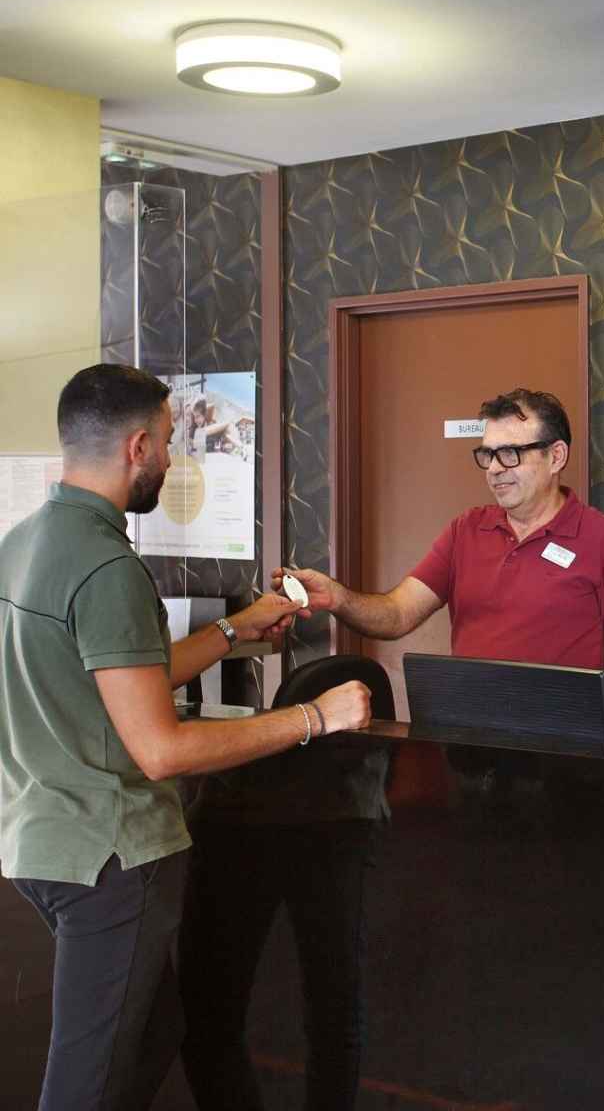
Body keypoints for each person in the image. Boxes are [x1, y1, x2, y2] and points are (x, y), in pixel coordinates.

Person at [0, 364, 373, 1111]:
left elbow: (128, 672)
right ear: (137, 447)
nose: (172, 460)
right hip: (112, 857)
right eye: (170, 443)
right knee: (85, 1084)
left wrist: (237, 629)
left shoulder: (24, 542)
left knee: (157, 1032)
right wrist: (315, 717)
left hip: (39, 843)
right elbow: (162, 749)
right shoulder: (107, 566)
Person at [277, 389, 604, 725]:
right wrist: (338, 598)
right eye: (487, 454)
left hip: (566, 756)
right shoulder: (466, 530)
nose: (494, 469)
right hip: (468, 748)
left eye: (509, 454)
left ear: (556, 456)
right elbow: (397, 613)